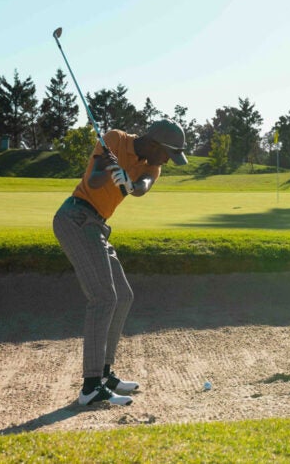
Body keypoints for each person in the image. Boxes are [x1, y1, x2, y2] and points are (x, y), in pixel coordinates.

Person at [52, 118, 189, 406]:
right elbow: (93, 181)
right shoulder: (114, 139)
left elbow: (143, 186)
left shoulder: (154, 164)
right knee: (103, 298)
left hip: (97, 227)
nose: (168, 160)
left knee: (123, 296)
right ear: (155, 144)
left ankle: (103, 374)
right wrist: (109, 166)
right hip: (75, 217)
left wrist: (128, 182)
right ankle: (90, 387)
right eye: (168, 153)